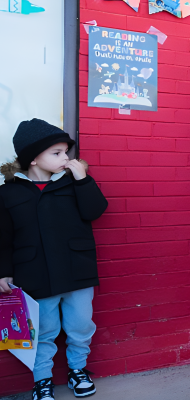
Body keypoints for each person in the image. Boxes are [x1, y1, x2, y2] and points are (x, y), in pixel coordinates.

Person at [0, 119, 108, 400]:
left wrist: (83, 178)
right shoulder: (8, 192)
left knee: (81, 324)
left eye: (66, 152)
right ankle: (42, 380)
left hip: (76, 269)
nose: (66, 158)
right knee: (43, 330)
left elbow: (95, 210)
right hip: (35, 272)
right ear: (33, 158)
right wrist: (3, 272)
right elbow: (3, 237)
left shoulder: (73, 183)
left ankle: (78, 371)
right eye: (57, 153)